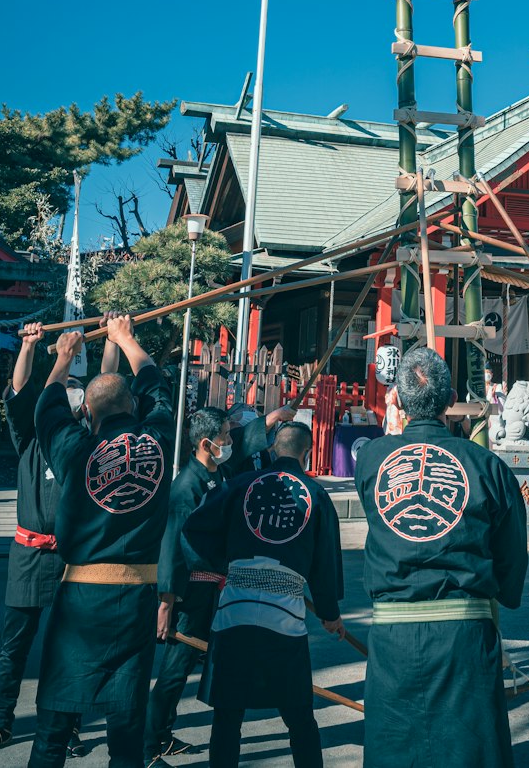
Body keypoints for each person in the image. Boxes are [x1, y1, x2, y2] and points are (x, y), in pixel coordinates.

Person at [354, 345, 528, 768]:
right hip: (464, 634)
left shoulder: (372, 460)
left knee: (398, 746)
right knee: (468, 747)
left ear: (395, 398)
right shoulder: (487, 466)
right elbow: (511, 556)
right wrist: (501, 593)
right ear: (452, 400)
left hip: (393, 634)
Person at [26, 314, 174, 768]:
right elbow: (157, 388)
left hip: (80, 601)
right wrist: (126, 339)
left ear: (87, 413)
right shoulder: (157, 443)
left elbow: (46, 411)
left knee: (53, 728)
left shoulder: (75, 448)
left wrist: (63, 359)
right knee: (126, 736)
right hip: (134, 602)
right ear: (133, 407)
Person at [0, 322, 114, 756]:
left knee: (68, 650)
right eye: (64, 386)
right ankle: (2, 723)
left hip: (73, 560)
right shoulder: (30, 437)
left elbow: (106, 390)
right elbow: (17, 392)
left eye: (75, 389)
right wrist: (30, 345)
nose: (69, 391)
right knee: (13, 648)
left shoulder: (87, 442)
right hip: (27, 556)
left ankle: (66, 726)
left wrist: (110, 342)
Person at [181, 419, 345, 768]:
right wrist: (330, 614)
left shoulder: (240, 484)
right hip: (283, 615)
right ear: (308, 452)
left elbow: (194, 526)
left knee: (228, 715)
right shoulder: (315, 495)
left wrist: (226, 562)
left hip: (234, 608)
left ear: (273, 449)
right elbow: (324, 561)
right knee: (300, 715)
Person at [144, 406, 231, 765]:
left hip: (212, 588)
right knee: (174, 672)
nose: (230, 441)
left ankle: (163, 735)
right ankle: (149, 746)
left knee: (191, 668)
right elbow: (170, 545)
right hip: (189, 591)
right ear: (206, 443)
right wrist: (166, 602)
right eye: (225, 435)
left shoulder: (217, 474)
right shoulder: (185, 487)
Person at [225, 399, 298, 478]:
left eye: (253, 410)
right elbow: (250, 432)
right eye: (249, 409)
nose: (253, 412)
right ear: (232, 419)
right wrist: (278, 414)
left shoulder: (257, 444)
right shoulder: (232, 440)